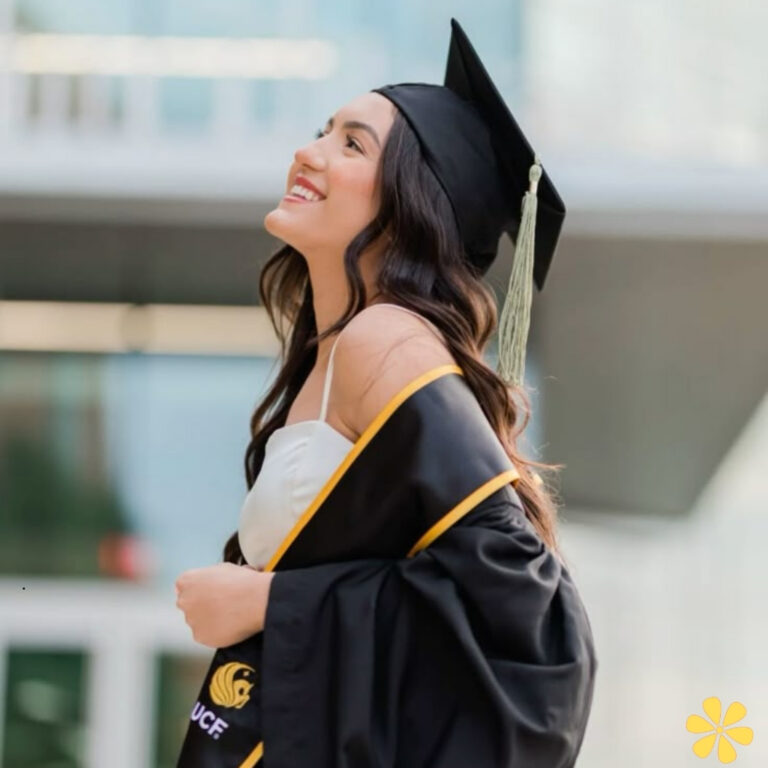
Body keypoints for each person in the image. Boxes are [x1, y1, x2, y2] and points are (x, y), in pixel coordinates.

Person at [175, 18, 597, 768]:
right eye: (322, 130)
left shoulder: (386, 342)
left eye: (351, 144)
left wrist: (269, 605)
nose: (308, 153)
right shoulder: (331, 351)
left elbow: (528, 611)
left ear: (412, 205)